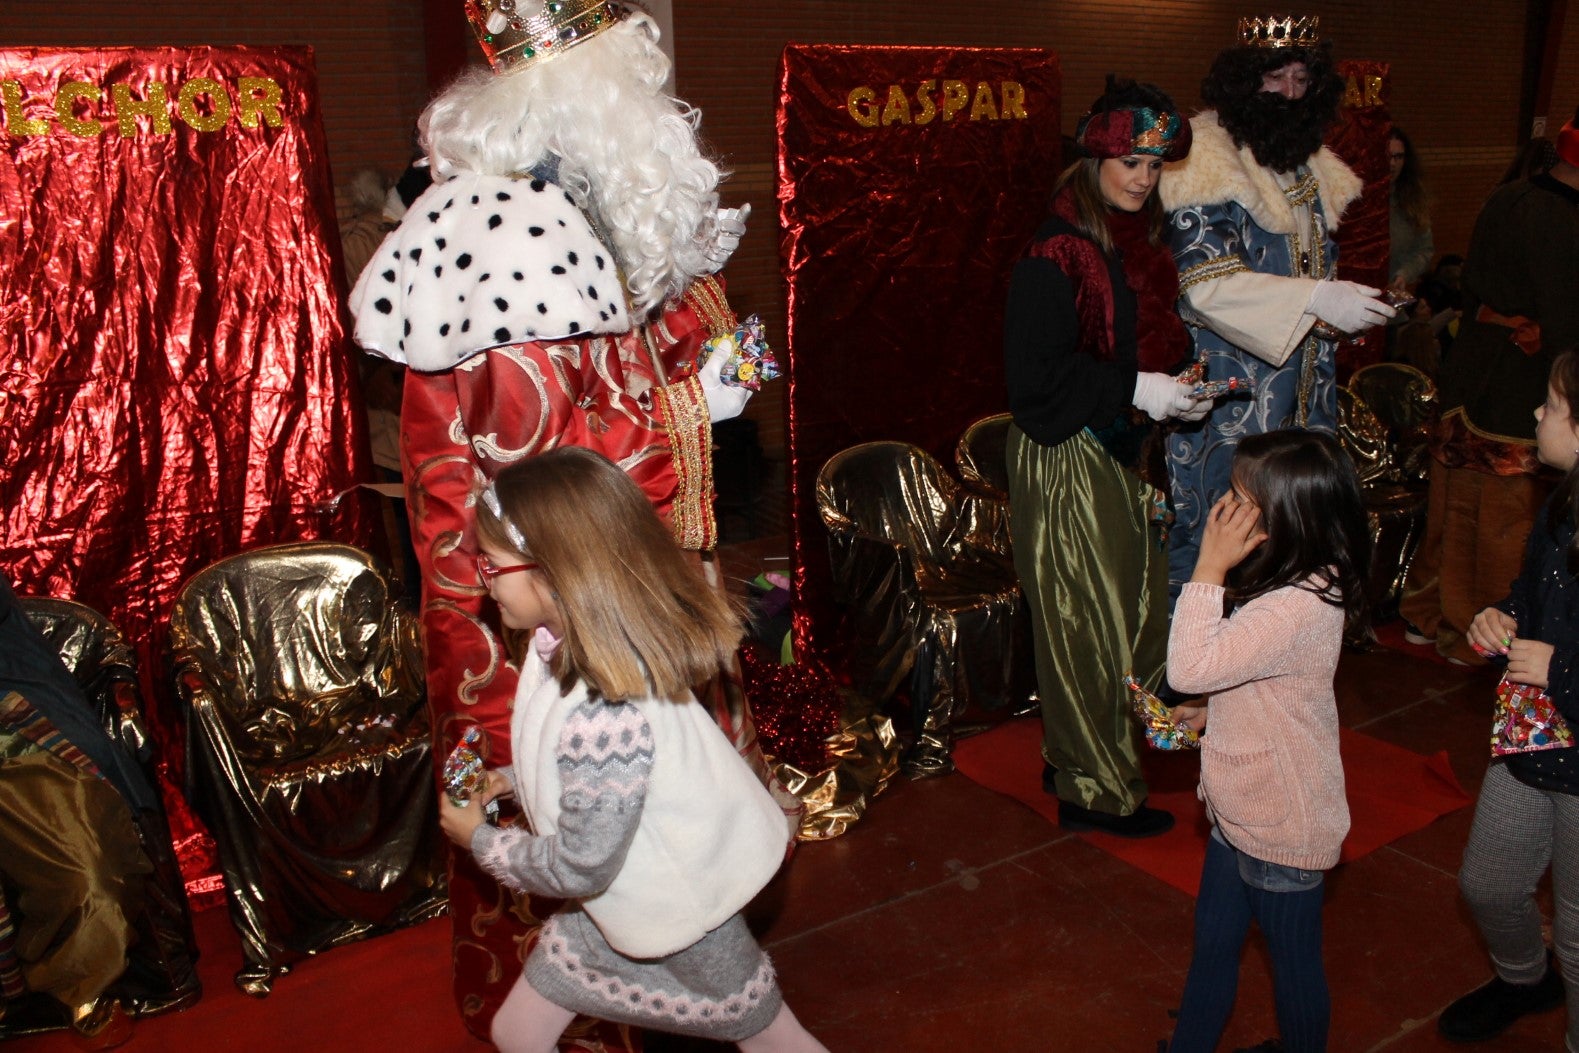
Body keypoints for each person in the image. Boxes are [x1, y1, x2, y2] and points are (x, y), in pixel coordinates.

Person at [348, 1, 789, 1036]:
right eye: (637, 91)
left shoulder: (554, 211)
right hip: (547, 615)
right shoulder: (510, 242)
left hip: (579, 601)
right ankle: (648, 1016)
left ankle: (668, 1002)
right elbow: (548, 477)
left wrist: (702, 366)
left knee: (643, 843)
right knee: (604, 844)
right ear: (580, 104)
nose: (659, 113)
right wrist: (699, 405)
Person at [437, 448, 825, 1053]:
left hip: (679, 914)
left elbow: (581, 864)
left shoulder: (602, 708)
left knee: (772, 1038)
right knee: (516, 1031)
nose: (483, 583)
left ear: (555, 570)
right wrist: (510, 780)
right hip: (626, 900)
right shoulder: (571, 647)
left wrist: (479, 841)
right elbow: (582, 770)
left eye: (492, 566)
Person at [1004, 76, 1200, 838]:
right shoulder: (1053, 252)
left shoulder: (1121, 243)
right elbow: (1035, 385)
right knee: (1088, 624)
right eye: (1130, 163)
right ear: (1093, 159)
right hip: (1063, 456)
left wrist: (1170, 388)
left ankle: (1075, 753)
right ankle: (1091, 790)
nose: (1142, 179)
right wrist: (1136, 387)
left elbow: (1126, 345)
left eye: (1154, 167)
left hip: (1111, 453)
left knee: (1126, 616)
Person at [1158, 14, 1393, 597]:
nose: (1290, 93)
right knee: (1221, 543)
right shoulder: (1203, 161)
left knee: (1299, 542)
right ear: (1243, 83)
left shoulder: (1303, 164)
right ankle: (1197, 680)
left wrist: (1341, 313)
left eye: (1300, 79)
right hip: (1233, 405)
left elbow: (1311, 273)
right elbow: (1203, 285)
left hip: (1306, 400)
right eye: (1275, 79)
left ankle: (1276, 677)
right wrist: (1317, 298)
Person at [1164, 430, 1371, 1053]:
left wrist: (1207, 566)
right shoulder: (1293, 577)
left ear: (1286, 519)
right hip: (1242, 805)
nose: (1225, 508)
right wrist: (1210, 713)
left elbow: (1188, 669)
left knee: (1294, 966)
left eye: (1240, 498)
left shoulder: (1297, 606)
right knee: (1215, 945)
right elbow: (1239, 675)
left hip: (1282, 823)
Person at [1399, 106, 1579, 664]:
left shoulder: (1510, 195)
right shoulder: (1565, 221)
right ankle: (1477, 637)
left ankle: (1428, 618)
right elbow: (1566, 320)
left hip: (1471, 373)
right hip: (1526, 385)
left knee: (1454, 507)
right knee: (1505, 521)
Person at [1436, 349, 1579, 1046]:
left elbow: (1563, 654)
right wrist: (1503, 614)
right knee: (1487, 883)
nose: (1534, 414)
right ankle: (1524, 977)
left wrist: (1558, 668)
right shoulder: (1560, 507)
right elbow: (1534, 596)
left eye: (1550, 406)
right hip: (1534, 739)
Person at [1387, 127, 1435, 293]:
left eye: (1398, 157)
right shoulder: (1357, 198)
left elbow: (1424, 249)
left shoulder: (1413, 201)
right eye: (1388, 156)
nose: (1392, 163)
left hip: (1396, 299)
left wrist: (1405, 274)